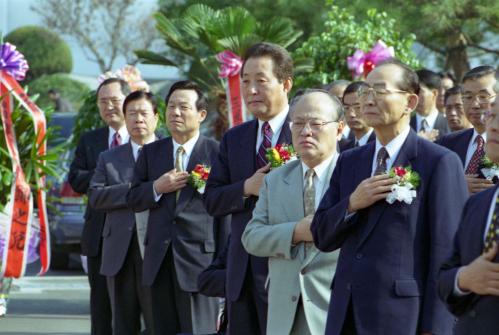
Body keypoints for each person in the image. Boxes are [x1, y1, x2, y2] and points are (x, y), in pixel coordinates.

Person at [311, 59, 468, 335]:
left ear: (410, 102)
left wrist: (436, 327)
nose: (367, 100)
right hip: (345, 314)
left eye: (380, 91)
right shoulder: (349, 161)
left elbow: (447, 250)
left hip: (403, 318)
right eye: (365, 92)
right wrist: (351, 204)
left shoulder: (438, 162)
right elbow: (322, 234)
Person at [204, 42, 293, 334]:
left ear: (286, 84)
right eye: (245, 81)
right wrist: (246, 187)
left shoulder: (307, 131)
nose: (251, 90)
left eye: (261, 81)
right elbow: (213, 200)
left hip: (288, 269)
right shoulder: (235, 138)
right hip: (241, 272)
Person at [127, 80, 227, 335]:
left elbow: (225, 211)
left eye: (183, 107)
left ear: (201, 115)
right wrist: (157, 187)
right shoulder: (151, 153)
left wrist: (223, 262)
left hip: (199, 261)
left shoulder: (217, 152)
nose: (175, 113)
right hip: (158, 262)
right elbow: (133, 198)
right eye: (171, 106)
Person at [242, 89, 343, 335]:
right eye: (298, 123)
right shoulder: (275, 179)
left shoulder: (353, 175)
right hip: (284, 312)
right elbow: (251, 237)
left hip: (336, 308)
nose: (306, 131)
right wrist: (295, 233)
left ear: (339, 128)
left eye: (316, 123)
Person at [88, 91, 161, 334]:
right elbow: (96, 196)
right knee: (122, 323)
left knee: (157, 321)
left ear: (156, 118)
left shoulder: (169, 153)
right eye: (132, 114)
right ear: (125, 118)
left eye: (144, 113)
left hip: (157, 249)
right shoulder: (109, 157)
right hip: (119, 251)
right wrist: (137, 191)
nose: (138, 119)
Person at [69, 77, 130, 335]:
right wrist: (105, 171)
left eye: (114, 100)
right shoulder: (90, 140)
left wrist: (105, 182)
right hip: (98, 236)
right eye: (103, 102)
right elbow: (75, 179)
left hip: (133, 235)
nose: (109, 107)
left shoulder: (148, 139)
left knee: (132, 307)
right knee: (101, 307)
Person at [438, 90, 499, 335]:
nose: (493, 127)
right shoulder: (479, 202)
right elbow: (445, 276)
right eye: (492, 116)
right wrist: (464, 279)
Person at [436, 66, 497, 194]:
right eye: (468, 97)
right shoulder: (446, 143)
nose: (475, 104)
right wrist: (455, 184)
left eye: (483, 96)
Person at [410, 69, 450, 141]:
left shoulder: (449, 125)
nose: (414, 96)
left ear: (434, 93)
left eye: (419, 92)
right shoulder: (405, 126)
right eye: (412, 92)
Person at [339, 81, 375, 152]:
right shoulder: (343, 149)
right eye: (346, 108)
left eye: (358, 107)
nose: (351, 114)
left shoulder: (381, 146)